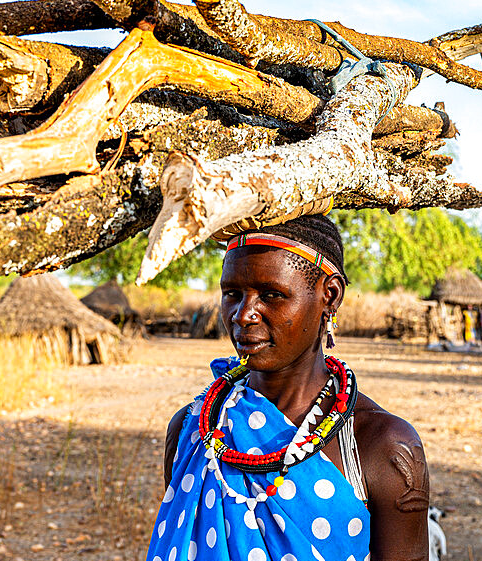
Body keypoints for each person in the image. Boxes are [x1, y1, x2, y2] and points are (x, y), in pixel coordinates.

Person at [148, 215, 429, 561]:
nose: (243, 313)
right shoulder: (193, 432)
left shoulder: (380, 446)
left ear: (330, 295)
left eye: (271, 294)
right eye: (232, 294)